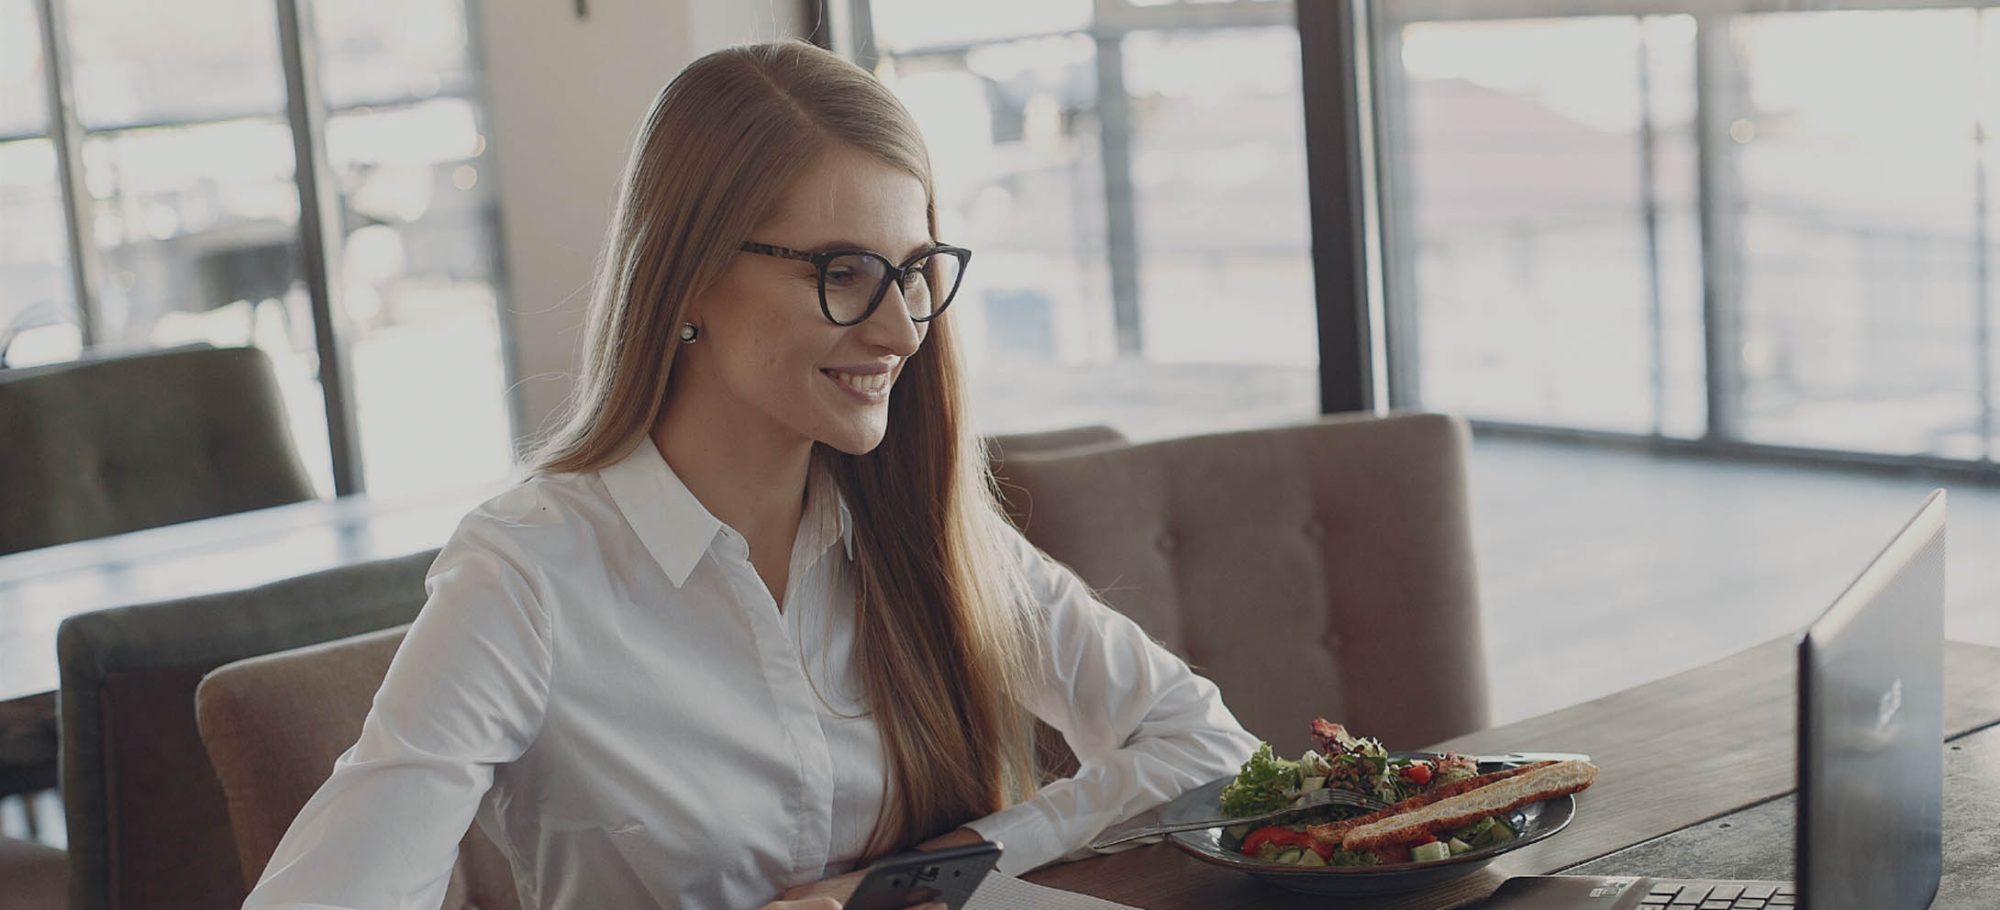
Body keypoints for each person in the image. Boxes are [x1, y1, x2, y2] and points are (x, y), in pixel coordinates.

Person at [243, 41, 1258, 910]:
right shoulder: (528, 573)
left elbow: (1201, 744)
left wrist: (936, 868)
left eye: (912, 271)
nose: (901, 328)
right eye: (842, 271)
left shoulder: (921, 525)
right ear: (686, 275)